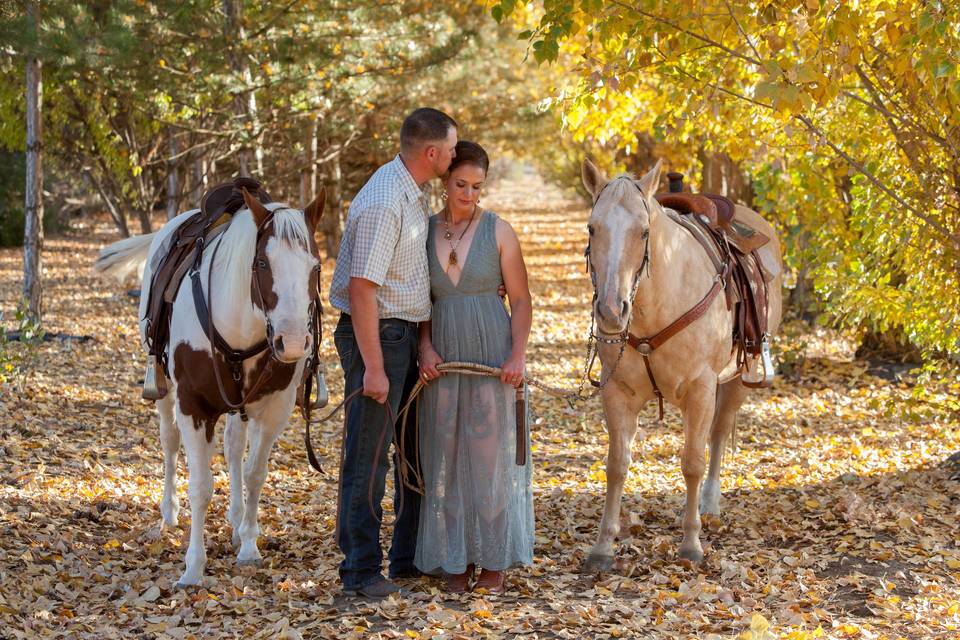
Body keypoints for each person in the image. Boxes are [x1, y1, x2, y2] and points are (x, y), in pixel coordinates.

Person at [329, 107, 458, 599]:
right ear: (432, 152)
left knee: (410, 455)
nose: (452, 155)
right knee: (369, 458)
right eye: (449, 148)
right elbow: (362, 290)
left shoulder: (410, 190)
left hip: (402, 337)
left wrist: (422, 342)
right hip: (378, 339)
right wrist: (376, 369)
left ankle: (404, 560)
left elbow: (411, 281)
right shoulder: (386, 200)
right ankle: (360, 570)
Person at [415, 141, 534, 594]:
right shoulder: (423, 232)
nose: (469, 195)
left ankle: (494, 560)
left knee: (488, 457)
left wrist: (517, 354)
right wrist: (425, 348)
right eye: (461, 185)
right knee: (445, 457)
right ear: (445, 183)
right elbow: (418, 300)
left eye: (477, 187)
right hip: (443, 355)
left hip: (490, 352)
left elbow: (521, 300)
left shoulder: (499, 231)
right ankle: (455, 557)